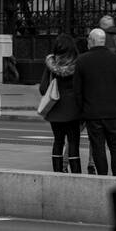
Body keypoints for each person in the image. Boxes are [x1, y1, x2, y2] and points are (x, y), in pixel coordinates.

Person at [74, 27, 116, 176]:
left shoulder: (82, 61)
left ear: (91, 41)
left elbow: (77, 92)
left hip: (93, 114)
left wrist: (83, 110)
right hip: (113, 112)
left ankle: (103, 178)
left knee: (98, 148)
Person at [37, 33, 83, 174]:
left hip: (55, 109)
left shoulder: (51, 64)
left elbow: (43, 88)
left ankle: (57, 172)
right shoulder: (79, 63)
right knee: (73, 143)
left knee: (58, 141)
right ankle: (76, 173)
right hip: (74, 110)